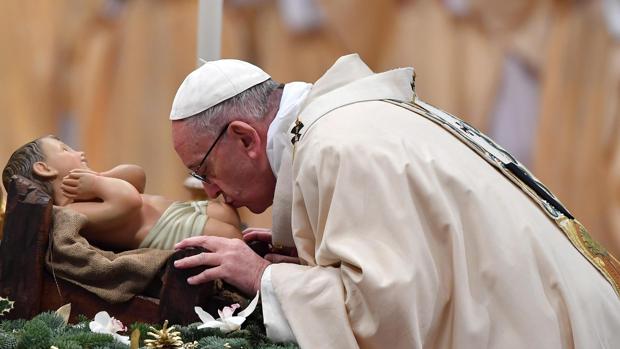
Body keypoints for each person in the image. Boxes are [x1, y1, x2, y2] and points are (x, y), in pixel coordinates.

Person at [169, 54, 620, 348]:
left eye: (203, 171)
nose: (209, 192)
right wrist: (305, 262)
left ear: (245, 138)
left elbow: (384, 318)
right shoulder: (348, 123)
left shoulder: (339, 146)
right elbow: (420, 270)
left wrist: (264, 277)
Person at [2, 135, 242, 250]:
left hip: (178, 211)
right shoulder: (70, 211)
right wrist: (97, 185)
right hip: (169, 231)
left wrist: (100, 178)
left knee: (229, 217)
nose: (79, 152)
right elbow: (129, 201)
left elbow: (137, 176)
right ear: (44, 169)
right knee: (231, 237)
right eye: (66, 150)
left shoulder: (92, 186)